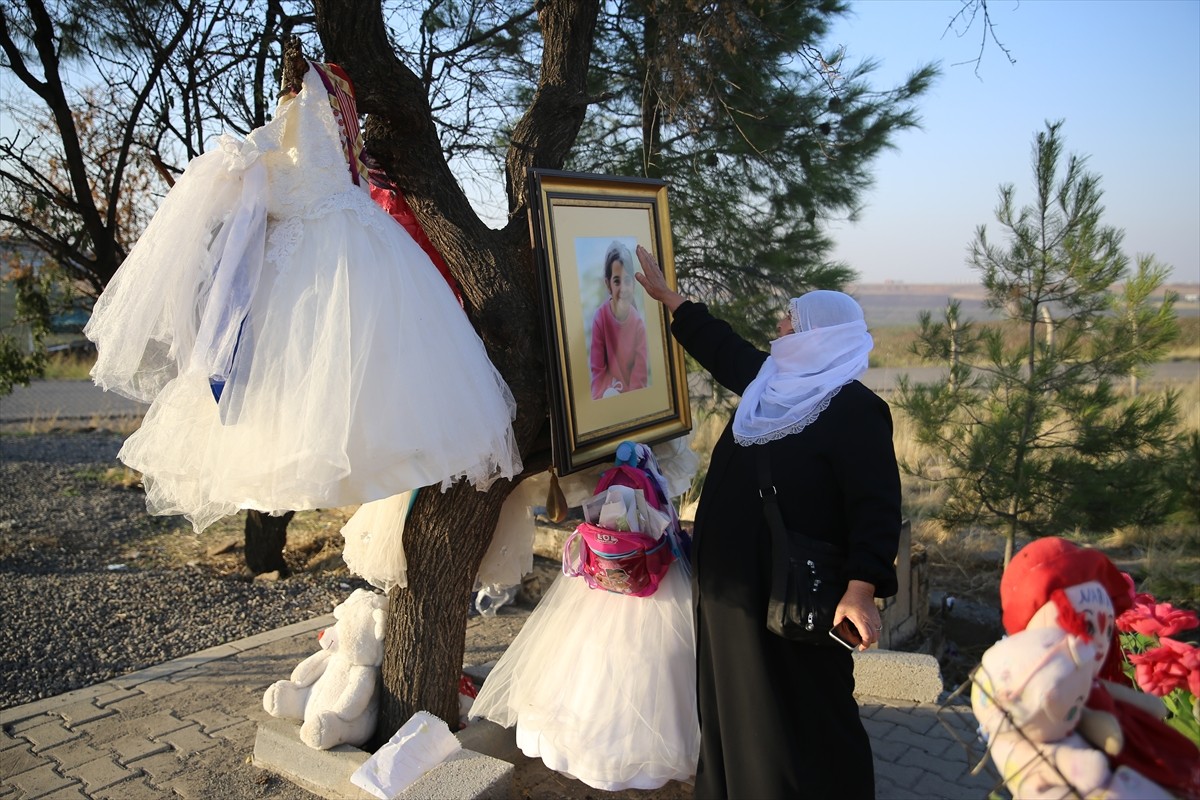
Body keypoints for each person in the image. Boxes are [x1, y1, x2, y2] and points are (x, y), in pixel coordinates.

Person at [84, 62, 521, 532]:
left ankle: (356, 459)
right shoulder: (327, 97)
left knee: (345, 369)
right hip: (357, 247)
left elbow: (269, 163)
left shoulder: (315, 94)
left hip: (334, 249)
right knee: (342, 368)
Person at [634, 244, 902, 799]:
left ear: (820, 338)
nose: (780, 325)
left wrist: (861, 587)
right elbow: (723, 347)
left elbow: (876, 508)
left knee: (798, 714)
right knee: (732, 704)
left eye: (792, 320)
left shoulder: (854, 410)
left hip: (794, 597)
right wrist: (671, 300)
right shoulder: (770, 385)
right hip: (733, 596)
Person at [589, 240, 649, 399]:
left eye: (627, 280)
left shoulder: (638, 325)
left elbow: (640, 377)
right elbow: (598, 372)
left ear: (634, 284)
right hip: (607, 396)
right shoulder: (600, 319)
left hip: (631, 399)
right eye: (617, 281)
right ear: (608, 284)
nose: (623, 288)